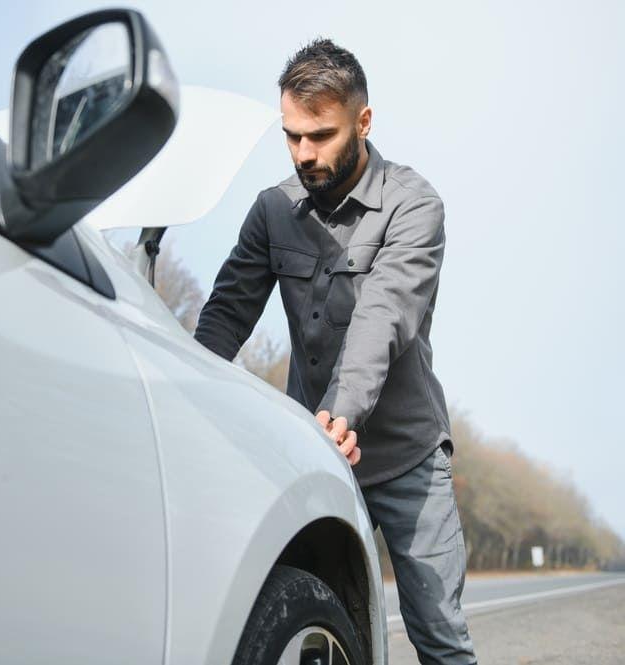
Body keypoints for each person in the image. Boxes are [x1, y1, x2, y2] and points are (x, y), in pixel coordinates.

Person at [193, 38, 477, 664]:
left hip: (406, 460)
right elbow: (225, 315)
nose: (303, 153)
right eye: (292, 136)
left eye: (319, 135)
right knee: (308, 618)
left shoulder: (414, 205)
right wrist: (188, 397)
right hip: (315, 455)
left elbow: (383, 317)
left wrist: (342, 411)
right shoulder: (271, 212)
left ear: (364, 121)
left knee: (438, 634)